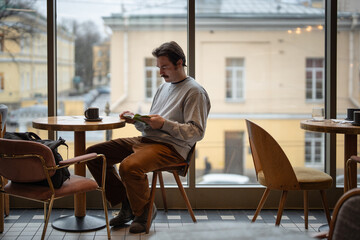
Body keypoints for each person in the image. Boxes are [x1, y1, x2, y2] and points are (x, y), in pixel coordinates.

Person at [86, 41, 211, 234]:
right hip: (147, 141)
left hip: (171, 149)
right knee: (94, 154)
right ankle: (127, 204)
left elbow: (196, 132)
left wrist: (164, 124)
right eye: (158, 67)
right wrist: (136, 120)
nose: (160, 72)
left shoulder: (195, 91)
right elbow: (152, 125)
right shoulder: (164, 87)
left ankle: (143, 212)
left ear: (179, 63)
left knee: (129, 166)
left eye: (164, 67)